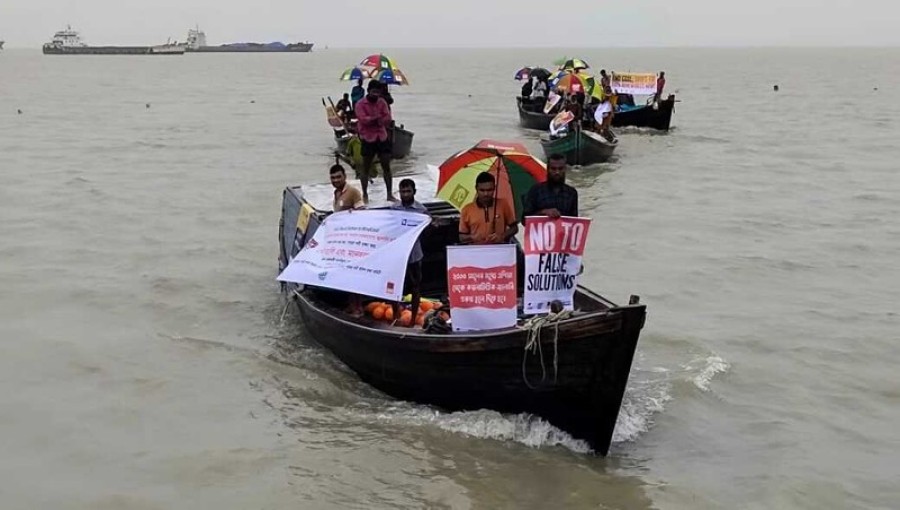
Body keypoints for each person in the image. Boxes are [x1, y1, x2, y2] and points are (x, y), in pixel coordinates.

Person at [390, 178, 429, 327]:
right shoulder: (394, 209)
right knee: (393, 285)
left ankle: (413, 319)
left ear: (414, 192)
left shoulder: (422, 210)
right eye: (402, 192)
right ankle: (395, 315)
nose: (405, 194)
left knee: (415, 285)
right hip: (397, 254)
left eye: (408, 191)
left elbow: (426, 231)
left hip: (414, 253)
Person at [355, 81, 394, 202]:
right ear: (368, 91)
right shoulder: (360, 104)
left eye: (378, 92)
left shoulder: (382, 102)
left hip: (381, 136)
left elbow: (387, 118)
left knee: (386, 165)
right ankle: (365, 194)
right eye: (373, 92)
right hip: (368, 137)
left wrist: (375, 120)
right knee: (365, 167)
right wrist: (376, 118)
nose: (375, 94)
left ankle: (389, 194)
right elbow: (363, 119)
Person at [459, 172, 518, 245]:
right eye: (482, 190)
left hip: (500, 249)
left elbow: (514, 228)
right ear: (476, 189)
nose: (486, 194)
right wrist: (473, 237)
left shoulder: (503, 204)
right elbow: (461, 237)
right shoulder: (467, 209)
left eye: (489, 190)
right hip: (476, 250)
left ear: (494, 188)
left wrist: (502, 236)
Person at [522, 153, 578, 220]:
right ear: (548, 169)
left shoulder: (572, 193)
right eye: (553, 169)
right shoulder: (536, 190)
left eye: (560, 169)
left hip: (563, 230)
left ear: (565, 169)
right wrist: (543, 212)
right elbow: (524, 220)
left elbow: (575, 221)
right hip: (541, 230)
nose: (557, 172)